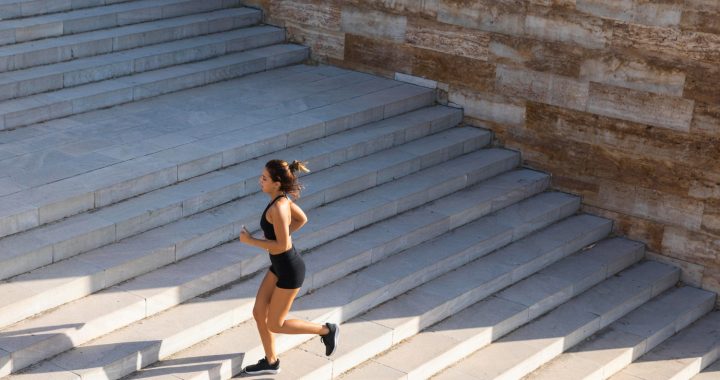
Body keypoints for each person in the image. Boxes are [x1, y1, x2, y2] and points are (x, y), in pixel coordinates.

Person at [239, 159, 339, 376]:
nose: (260, 180)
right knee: (258, 312)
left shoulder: (278, 207)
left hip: (289, 272)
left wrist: (251, 241)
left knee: (275, 324)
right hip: (280, 265)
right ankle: (271, 361)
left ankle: (326, 330)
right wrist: (279, 239)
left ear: (276, 183)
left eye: (265, 178)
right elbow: (302, 219)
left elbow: (282, 245)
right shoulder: (281, 199)